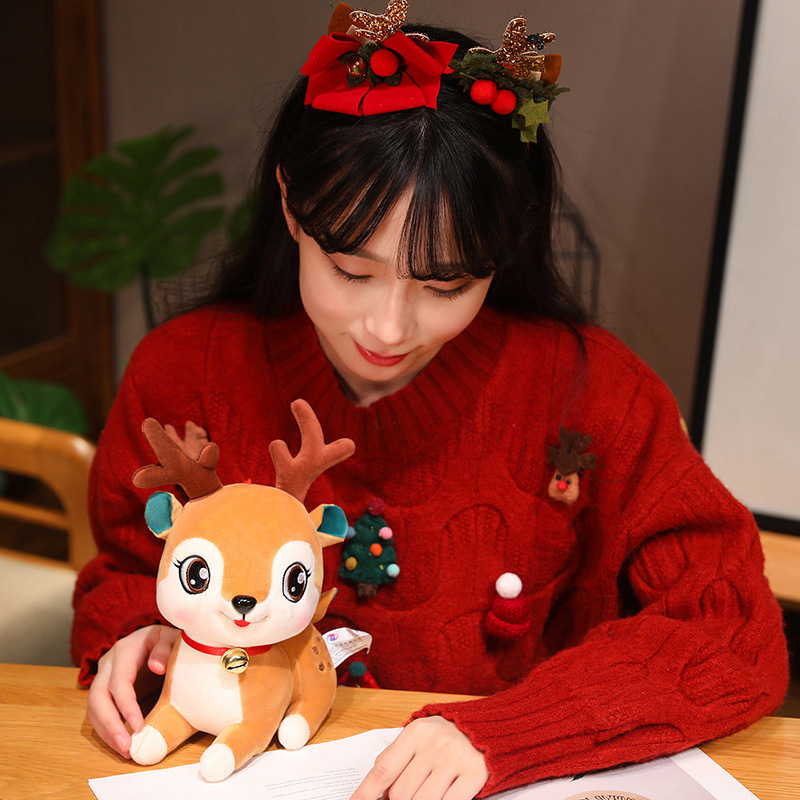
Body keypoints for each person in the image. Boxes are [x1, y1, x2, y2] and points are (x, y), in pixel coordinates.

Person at [72, 6, 788, 800]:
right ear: (289, 203)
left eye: (446, 285)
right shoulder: (185, 373)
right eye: (351, 271)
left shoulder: (596, 394)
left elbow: (732, 628)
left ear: (506, 245)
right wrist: (136, 634)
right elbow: (125, 569)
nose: (388, 328)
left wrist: (510, 732)